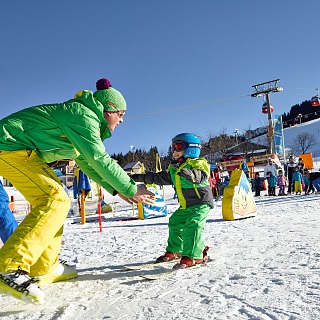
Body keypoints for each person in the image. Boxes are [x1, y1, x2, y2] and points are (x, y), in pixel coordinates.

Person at [0, 77, 155, 304]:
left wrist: (115, 188)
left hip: (22, 152)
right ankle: (9, 266)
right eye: (120, 114)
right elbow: (99, 158)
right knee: (55, 198)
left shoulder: (83, 120)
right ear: (108, 110)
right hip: (8, 146)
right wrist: (131, 187)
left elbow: (86, 162)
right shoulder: (82, 115)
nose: (121, 120)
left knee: (58, 201)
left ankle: (46, 267)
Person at [131, 133, 213, 269]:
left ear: (191, 149)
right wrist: (138, 177)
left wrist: (191, 174)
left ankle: (194, 255)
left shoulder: (198, 163)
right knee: (174, 223)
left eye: (179, 147)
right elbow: (158, 177)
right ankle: (177, 250)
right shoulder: (175, 168)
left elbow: (201, 176)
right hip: (186, 205)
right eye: (173, 148)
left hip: (200, 203)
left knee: (193, 225)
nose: (175, 151)